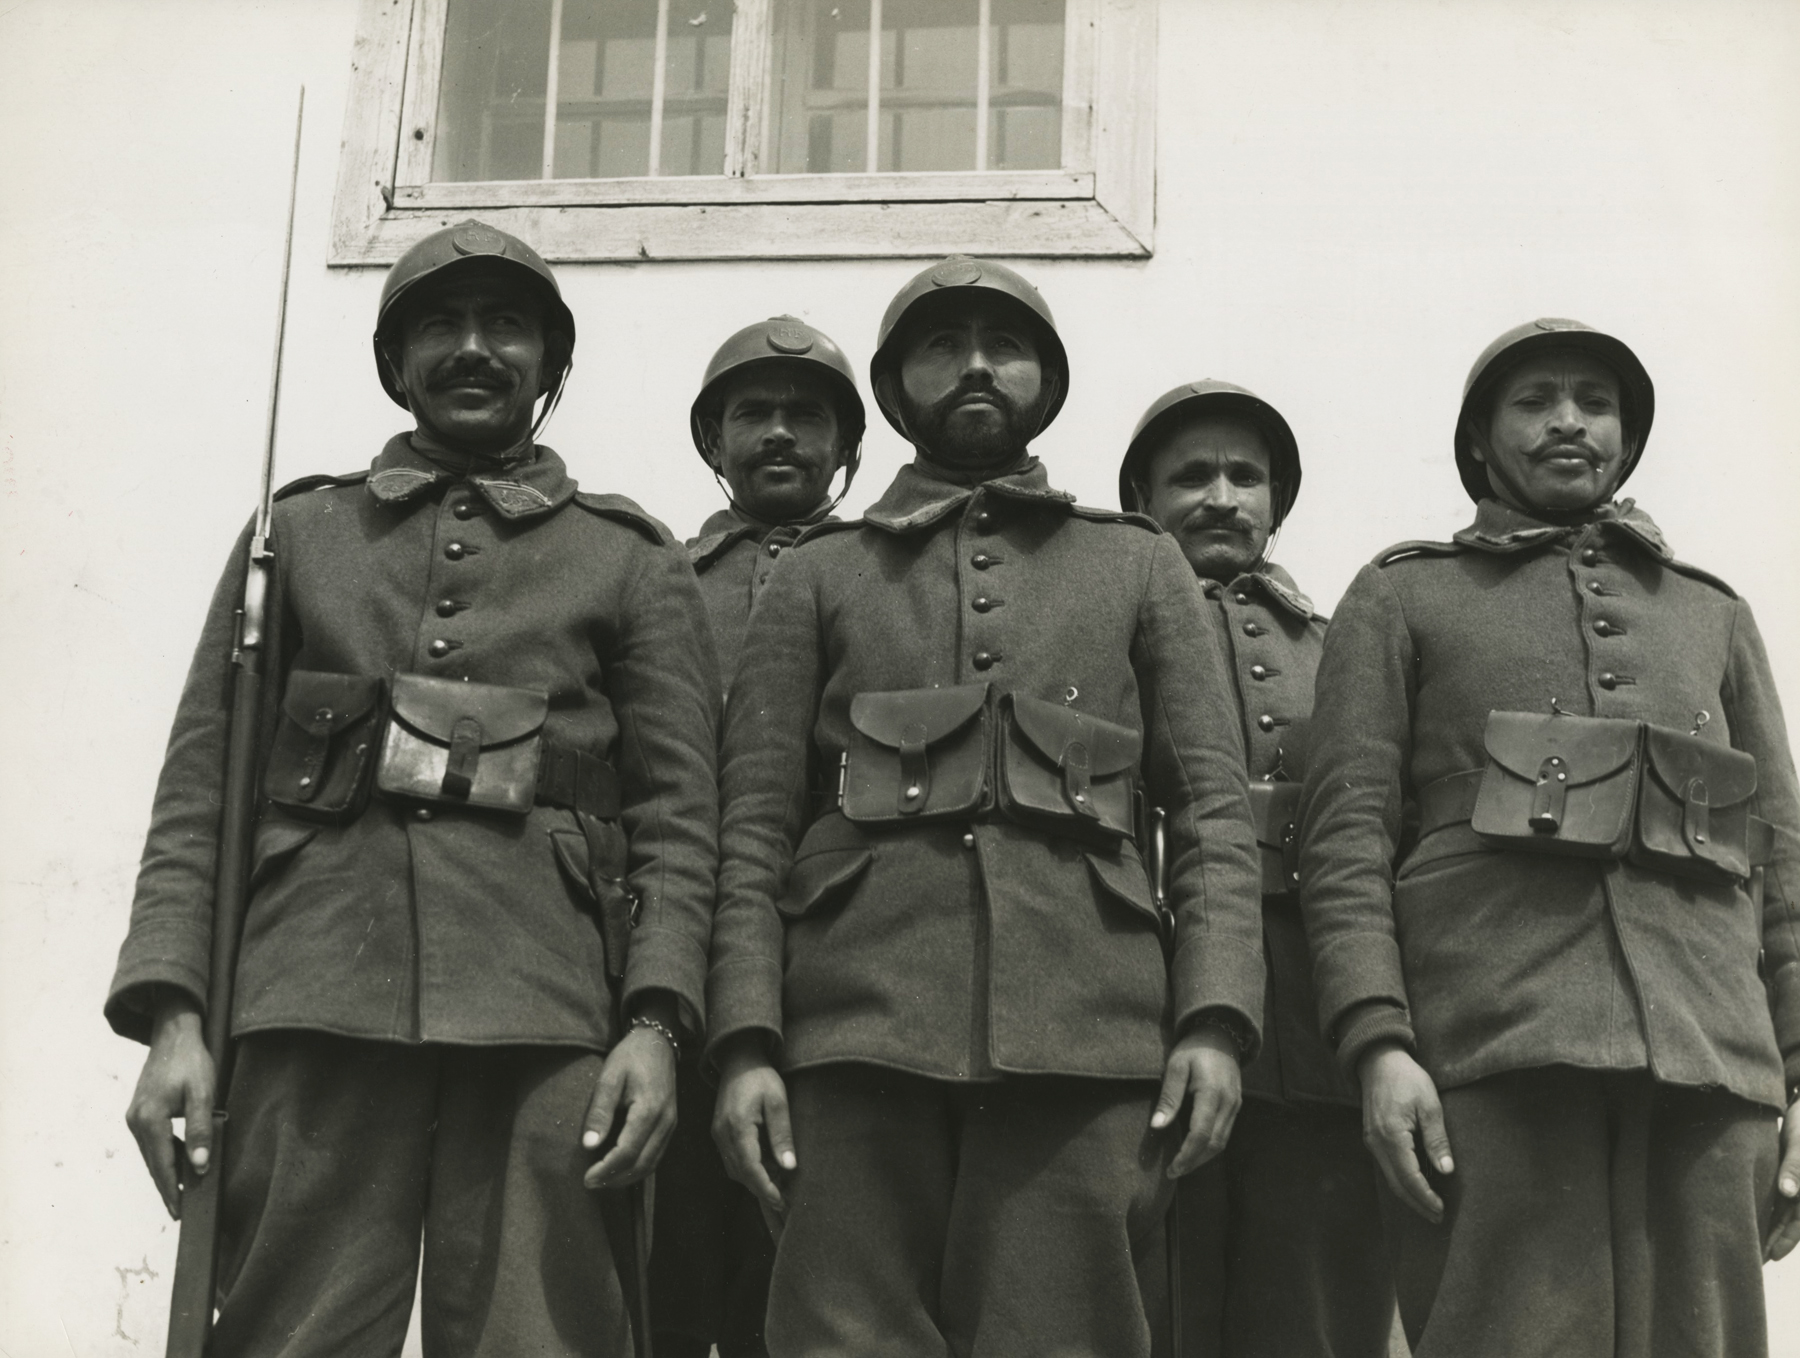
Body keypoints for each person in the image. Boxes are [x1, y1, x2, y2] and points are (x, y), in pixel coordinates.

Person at [108, 219, 720, 1357]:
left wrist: (656, 1024)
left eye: (506, 326)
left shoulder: (632, 557)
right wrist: (175, 1019)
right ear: (396, 363)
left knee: (545, 1335)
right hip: (312, 986)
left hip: (548, 1004)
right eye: (440, 325)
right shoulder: (296, 534)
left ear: (550, 363)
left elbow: (680, 822)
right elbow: (203, 793)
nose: (473, 348)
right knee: (292, 1330)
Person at [706, 256, 1266, 1357]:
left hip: (1088, 1035)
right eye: (941, 346)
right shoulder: (820, 571)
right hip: (849, 1035)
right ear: (893, 385)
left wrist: (1214, 1021)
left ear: (1046, 381)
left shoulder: (1139, 563)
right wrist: (745, 1043)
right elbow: (754, 828)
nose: (973, 366)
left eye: (1003, 346)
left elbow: (1209, 817)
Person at [1298, 317, 1800, 1357]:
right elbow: (1345, 843)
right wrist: (1378, 1045)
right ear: (1480, 442)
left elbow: (1783, 859)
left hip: (1714, 1061)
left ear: (1629, 437)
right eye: (1534, 402)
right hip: (1491, 1052)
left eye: (1594, 402)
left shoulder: (1712, 613)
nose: (1569, 421)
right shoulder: (1403, 594)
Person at [1120, 381, 1393, 1357]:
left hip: (1312, 1038)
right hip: (1147, 1018)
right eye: (1191, 476)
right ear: (1142, 498)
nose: (1222, 497)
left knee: (1312, 1315)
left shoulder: (1339, 647)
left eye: (1246, 476)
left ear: (1278, 499)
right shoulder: (1108, 630)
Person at [650, 316, 865, 1358]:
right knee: (667, 1268)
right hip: (672, 953)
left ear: (846, 445)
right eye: (753, 413)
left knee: (815, 1279)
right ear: (712, 438)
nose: (780, 433)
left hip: (827, 965)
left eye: (807, 415)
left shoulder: (883, 581)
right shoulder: (658, 580)